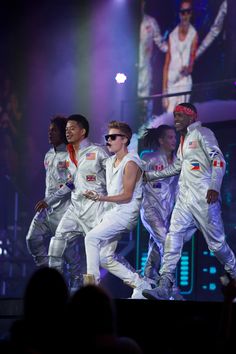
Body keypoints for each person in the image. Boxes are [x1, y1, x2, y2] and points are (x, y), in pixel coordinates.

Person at [142, 102, 236, 300]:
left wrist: (214, 186)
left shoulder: (203, 133)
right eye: (174, 115)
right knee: (172, 237)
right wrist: (149, 176)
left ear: (192, 117)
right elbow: (176, 167)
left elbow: (218, 159)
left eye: (180, 116)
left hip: (204, 200)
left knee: (217, 246)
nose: (175, 119)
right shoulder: (184, 141)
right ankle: (165, 285)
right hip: (184, 202)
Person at [37, 114, 109, 293]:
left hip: (96, 210)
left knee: (105, 258)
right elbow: (70, 184)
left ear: (83, 131)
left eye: (72, 129)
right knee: (57, 242)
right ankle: (55, 289)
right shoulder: (68, 157)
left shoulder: (99, 152)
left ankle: (136, 283)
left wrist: (114, 202)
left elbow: (114, 177)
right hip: (75, 209)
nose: (67, 132)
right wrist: (48, 201)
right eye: (66, 129)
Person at [83, 121, 153, 298]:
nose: (108, 140)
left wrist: (100, 197)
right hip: (112, 213)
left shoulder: (131, 162)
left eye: (112, 137)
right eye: (107, 137)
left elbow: (127, 195)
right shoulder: (111, 160)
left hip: (125, 214)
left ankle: (91, 289)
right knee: (105, 258)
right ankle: (141, 285)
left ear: (125, 140)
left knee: (91, 238)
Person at [26, 116, 71, 268]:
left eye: (54, 130)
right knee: (32, 239)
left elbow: (72, 184)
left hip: (63, 212)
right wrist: (47, 202)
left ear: (63, 133)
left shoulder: (71, 156)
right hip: (46, 208)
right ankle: (47, 271)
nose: (50, 133)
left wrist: (50, 200)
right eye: (49, 130)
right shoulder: (48, 155)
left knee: (68, 255)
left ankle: (75, 285)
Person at [162, 0, 198, 113]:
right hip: (171, 84)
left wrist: (188, 69)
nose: (185, 15)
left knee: (182, 116)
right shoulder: (172, 36)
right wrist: (164, 92)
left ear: (191, 13)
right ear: (179, 14)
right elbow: (166, 64)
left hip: (184, 81)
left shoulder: (194, 35)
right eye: (183, 12)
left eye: (188, 12)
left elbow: (192, 60)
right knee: (169, 116)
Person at [138, 0, 168, 122]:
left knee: (145, 104)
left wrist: (174, 47)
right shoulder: (126, 22)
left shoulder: (150, 22)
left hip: (145, 71)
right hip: (127, 73)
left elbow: (161, 44)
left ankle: (144, 133)